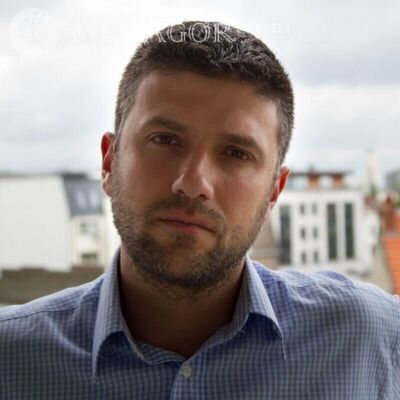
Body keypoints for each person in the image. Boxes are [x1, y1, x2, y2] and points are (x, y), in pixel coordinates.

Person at [0, 21, 399, 399]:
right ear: (109, 162)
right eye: (165, 139)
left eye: (236, 153)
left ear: (273, 193)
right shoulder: (11, 359)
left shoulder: (369, 337)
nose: (193, 183)